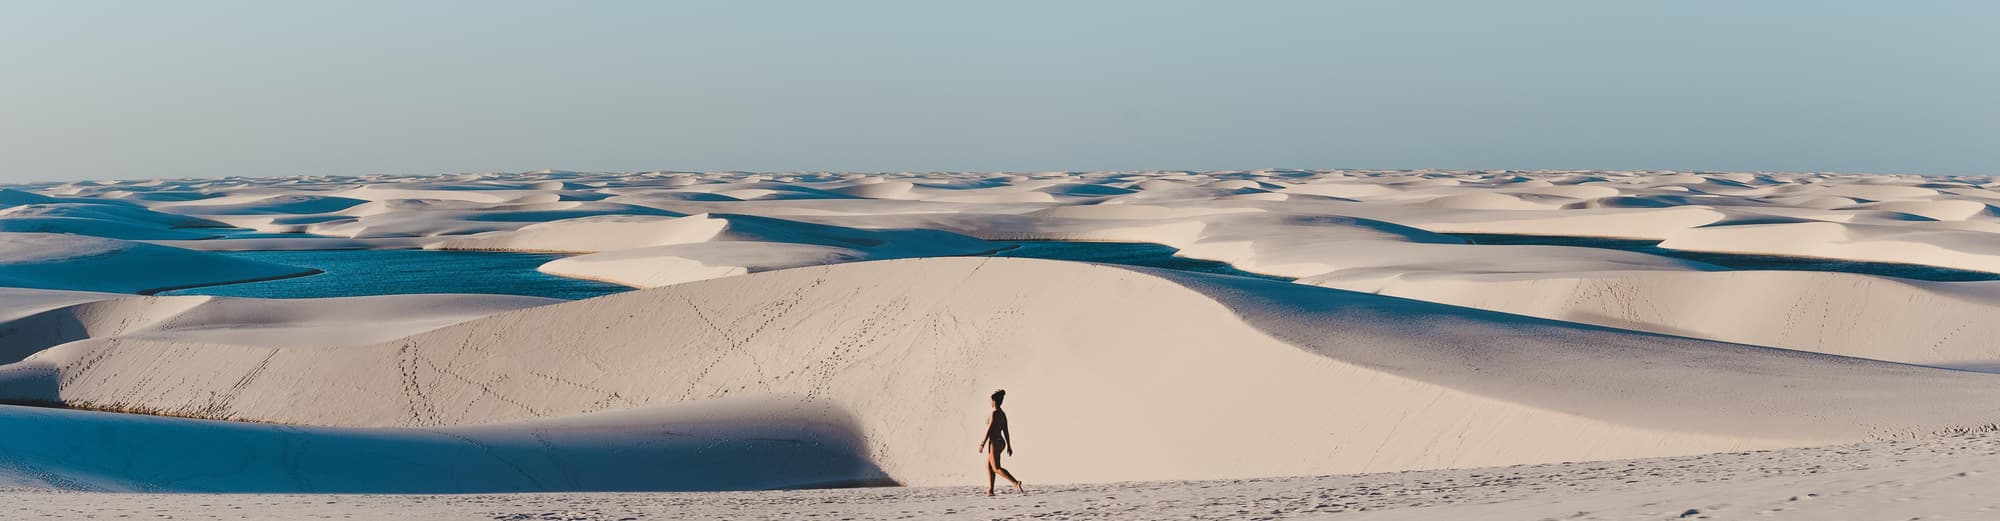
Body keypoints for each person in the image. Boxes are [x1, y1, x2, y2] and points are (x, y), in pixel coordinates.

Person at [977, 389, 1025, 495]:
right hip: (1001, 442)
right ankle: (991, 489)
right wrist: (1008, 445)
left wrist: (982, 444)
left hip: (994, 442)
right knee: (989, 465)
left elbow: (988, 430)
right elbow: (1006, 430)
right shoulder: (1002, 414)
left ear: (993, 401)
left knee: (996, 468)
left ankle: (1016, 482)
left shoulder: (994, 413)